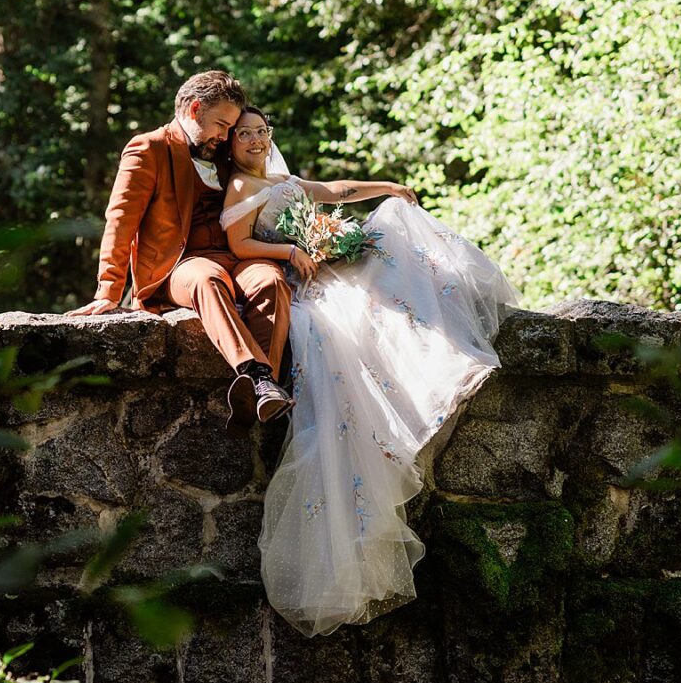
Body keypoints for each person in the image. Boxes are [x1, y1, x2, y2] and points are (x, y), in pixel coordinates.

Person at [219, 106, 522, 637]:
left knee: (393, 233)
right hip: (299, 280)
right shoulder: (242, 185)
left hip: (321, 267)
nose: (257, 140)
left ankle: (438, 356)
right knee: (358, 315)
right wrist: (292, 249)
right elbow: (240, 245)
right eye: (246, 134)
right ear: (232, 142)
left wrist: (386, 187)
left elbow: (333, 192)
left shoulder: (280, 177)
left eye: (263, 131)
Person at [67, 71, 294, 432]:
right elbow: (120, 220)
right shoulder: (148, 148)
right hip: (180, 266)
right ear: (194, 108)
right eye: (222, 124)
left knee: (270, 279)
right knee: (208, 278)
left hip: (236, 255)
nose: (226, 135)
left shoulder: (221, 152)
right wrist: (108, 290)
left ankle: (262, 399)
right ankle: (259, 376)